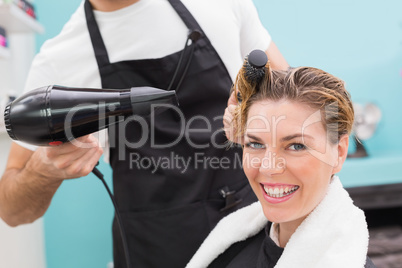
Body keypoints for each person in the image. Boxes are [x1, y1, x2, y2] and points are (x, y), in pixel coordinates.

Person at [0, 0, 288, 267]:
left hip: (249, 233)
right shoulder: (61, 59)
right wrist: (43, 172)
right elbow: (11, 210)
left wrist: (260, 122)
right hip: (155, 249)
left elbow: (292, 100)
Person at [186, 50, 376, 268]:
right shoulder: (228, 248)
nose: (268, 167)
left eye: (296, 146)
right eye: (255, 144)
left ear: (339, 153)